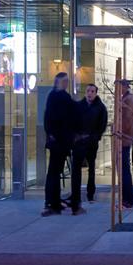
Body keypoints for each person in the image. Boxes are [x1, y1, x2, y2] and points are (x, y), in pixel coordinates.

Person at [42, 72, 81, 215]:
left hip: (55, 141)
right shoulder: (62, 97)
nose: (67, 83)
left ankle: (52, 201)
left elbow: (48, 119)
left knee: (53, 172)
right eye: (65, 81)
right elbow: (72, 115)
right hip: (61, 142)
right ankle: (53, 203)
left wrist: (51, 135)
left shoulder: (52, 96)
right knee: (54, 172)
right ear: (60, 82)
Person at [74, 82, 108, 204]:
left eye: (92, 91)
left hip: (91, 143)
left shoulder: (100, 108)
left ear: (95, 93)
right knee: (76, 169)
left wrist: (95, 137)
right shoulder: (79, 106)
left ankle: (90, 194)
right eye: (88, 91)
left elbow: (102, 125)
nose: (90, 93)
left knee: (91, 168)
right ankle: (76, 194)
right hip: (79, 143)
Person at [113, 77, 133, 209]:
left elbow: (127, 121)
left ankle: (127, 200)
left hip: (123, 139)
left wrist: (118, 130)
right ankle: (127, 200)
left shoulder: (128, 99)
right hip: (124, 138)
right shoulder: (129, 98)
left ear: (123, 86)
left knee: (124, 170)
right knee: (124, 170)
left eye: (118, 87)